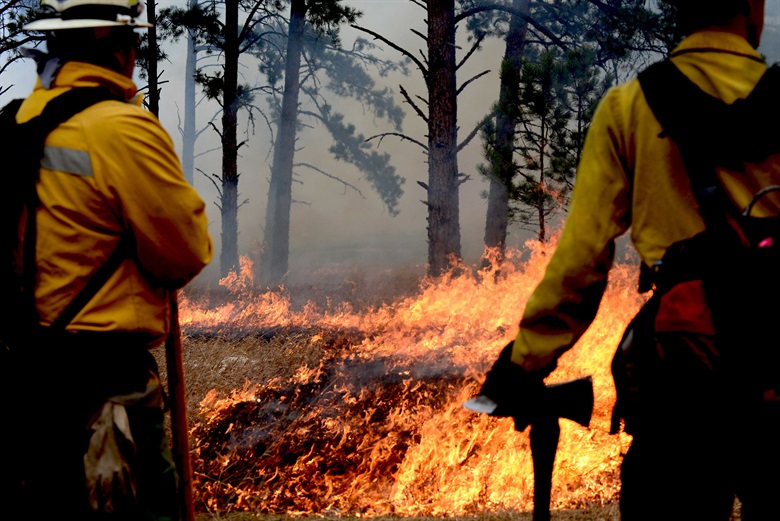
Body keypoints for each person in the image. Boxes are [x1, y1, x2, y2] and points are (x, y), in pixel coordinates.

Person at [465, 0, 780, 519]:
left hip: (683, 376)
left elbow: (583, 257)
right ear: (753, 7)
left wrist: (523, 364)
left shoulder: (630, 106)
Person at [0, 0, 213, 519]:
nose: (136, 55)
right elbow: (185, 253)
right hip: (103, 391)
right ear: (116, 49)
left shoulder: (15, 123)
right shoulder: (121, 129)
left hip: (21, 383)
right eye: (133, 43)